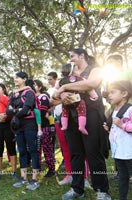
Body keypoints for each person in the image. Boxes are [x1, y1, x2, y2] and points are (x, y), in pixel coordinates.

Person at [54, 48, 111, 200]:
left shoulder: (95, 70)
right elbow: (55, 96)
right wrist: (63, 94)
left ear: (82, 56)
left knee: (93, 152)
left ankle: (102, 190)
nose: (70, 59)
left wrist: (65, 88)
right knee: (75, 153)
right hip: (72, 118)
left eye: (72, 56)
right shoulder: (69, 75)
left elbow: (91, 84)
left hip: (91, 115)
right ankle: (77, 188)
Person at [6, 71, 40, 190]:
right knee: (22, 151)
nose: (15, 80)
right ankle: (24, 178)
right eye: (14, 78)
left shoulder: (29, 92)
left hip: (29, 124)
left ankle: (35, 179)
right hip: (18, 125)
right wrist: (17, 110)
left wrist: (15, 110)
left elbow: (26, 109)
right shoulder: (13, 94)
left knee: (33, 151)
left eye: (17, 78)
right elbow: (7, 111)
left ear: (24, 79)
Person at [103, 80, 132, 200]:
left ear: (124, 93)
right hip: (119, 152)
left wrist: (122, 125)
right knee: (122, 177)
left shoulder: (130, 110)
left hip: (130, 152)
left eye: (112, 92)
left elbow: (125, 127)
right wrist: (109, 130)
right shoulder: (113, 111)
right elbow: (117, 132)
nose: (109, 95)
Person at [57, 63, 98, 135]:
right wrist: (94, 96)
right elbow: (88, 87)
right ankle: (82, 126)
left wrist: (60, 94)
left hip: (66, 101)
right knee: (82, 112)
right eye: (77, 70)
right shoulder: (79, 78)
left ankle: (64, 126)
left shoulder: (61, 81)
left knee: (65, 113)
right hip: (77, 100)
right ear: (73, 71)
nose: (78, 71)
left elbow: (57, 89)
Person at [0, 83, 17, 181]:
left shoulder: (9, 99)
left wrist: (4, 115)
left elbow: (10, 109)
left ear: (4, 89)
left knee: (11, 148)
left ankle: (14, 172)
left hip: (8, 125)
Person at [34, 79, 56, 177]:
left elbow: (43, 112)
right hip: (33, 127)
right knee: (36, 149)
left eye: (35, 85)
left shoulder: (43, 97)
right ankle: (37, 168)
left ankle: (51, 169)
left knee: (47, 148)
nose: (33, 87)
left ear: (40, 87)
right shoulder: (30, 97)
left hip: (44, 127)